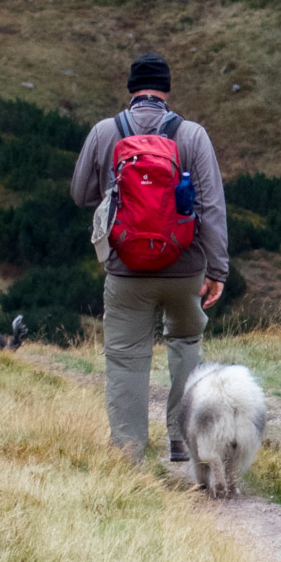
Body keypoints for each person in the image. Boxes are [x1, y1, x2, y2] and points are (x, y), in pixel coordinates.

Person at [71, 52, 229, 464]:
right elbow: (211, 206)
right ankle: (181, 440)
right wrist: (217, 269)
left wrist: (116, 197)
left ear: (131, 89)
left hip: (126, 270)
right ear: (166, 89)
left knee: (126, 359)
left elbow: (79, 193)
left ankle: (128, 457)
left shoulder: (105, 132)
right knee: (186, 342)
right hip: (186, 268)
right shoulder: (193, 135)